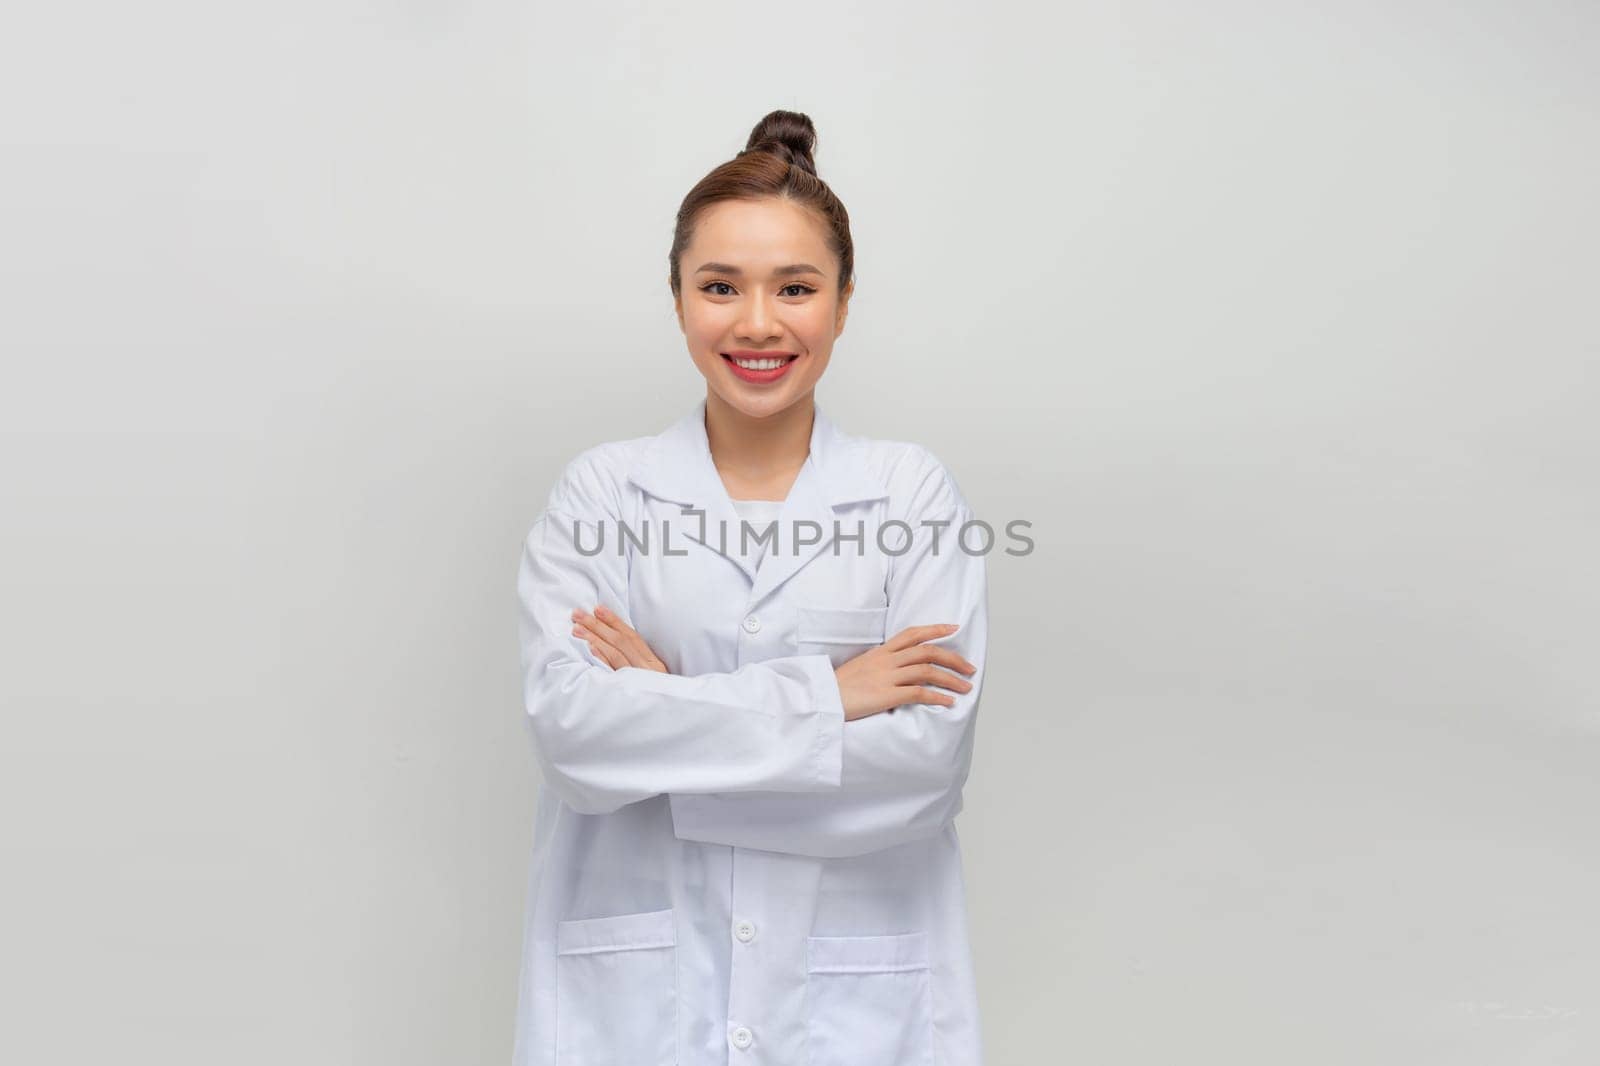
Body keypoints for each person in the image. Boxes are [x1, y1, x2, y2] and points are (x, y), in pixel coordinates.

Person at [513, 108, 989, 1066]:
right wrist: (831, 698)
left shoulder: (909, 493)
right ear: (678, 296)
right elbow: (571, 737)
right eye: (720, 286)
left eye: (797, 288)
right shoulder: (605, 492)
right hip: (637, 1009)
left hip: (857, 1009)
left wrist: (669, 719)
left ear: (845, 302)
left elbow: (926, 766)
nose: (758, 323)